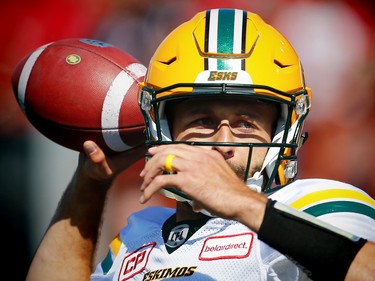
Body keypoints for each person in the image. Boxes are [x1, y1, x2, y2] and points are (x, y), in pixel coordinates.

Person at [25, 8, 375, 281]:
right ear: (162, 128)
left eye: (245, 123)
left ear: (282, 130)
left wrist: (240, 203)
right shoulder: (138, 236)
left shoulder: (317, 203)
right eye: (203, 122)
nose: (223, 142)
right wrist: (90, 184)